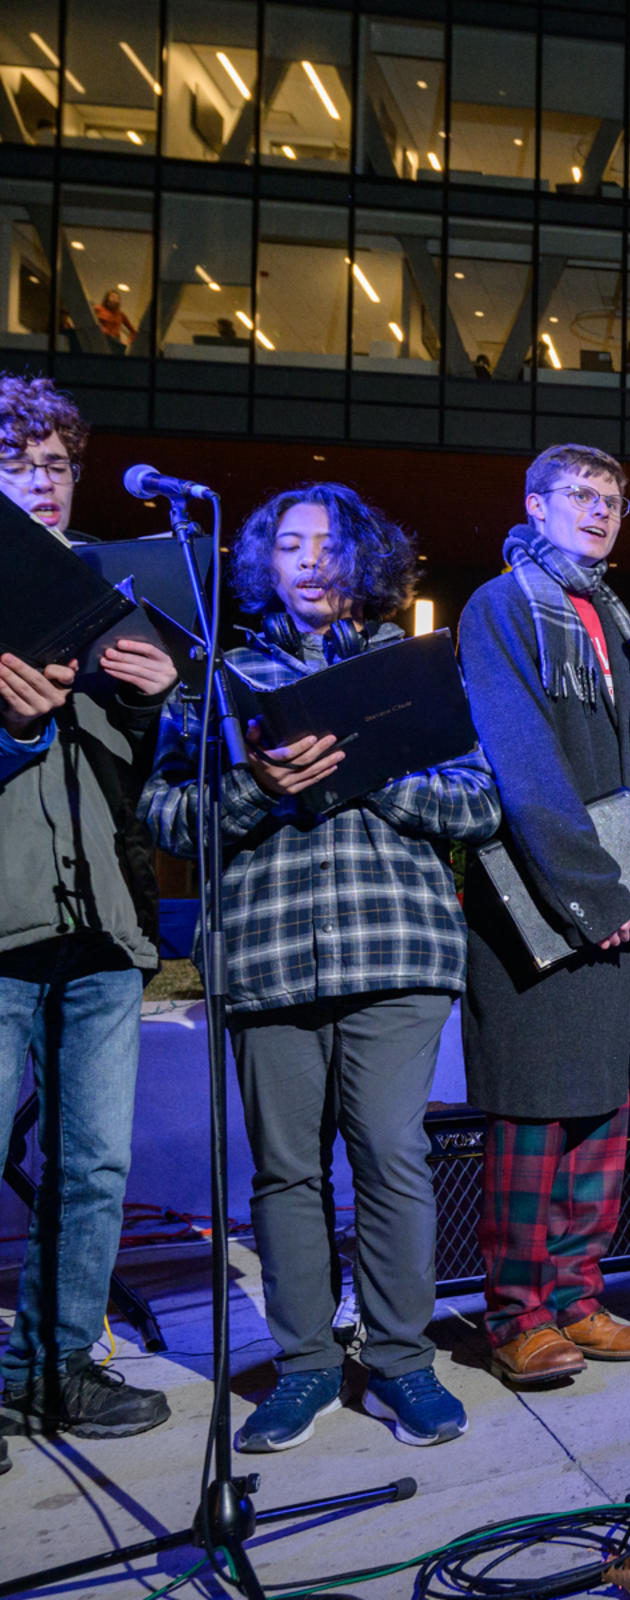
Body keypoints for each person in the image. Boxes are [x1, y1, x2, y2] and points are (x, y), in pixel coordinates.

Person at [143, 484, 500, 1452]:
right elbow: (167, 816)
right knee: (287, 1171)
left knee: (391, 1153)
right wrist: (257, 790)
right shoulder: (220, 676)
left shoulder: (409, 667)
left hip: (397, 951)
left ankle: (401, 1360)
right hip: (265, 957)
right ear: (264, 560)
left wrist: (368, 767)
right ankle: (304, 1366)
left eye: (330, 545)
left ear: (362, 562)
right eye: (290, 544)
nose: (310, 560)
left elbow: (481, 806)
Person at [0, 377, 180, 1464]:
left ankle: (56, 1370)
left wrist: (156, 698)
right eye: (18, 462)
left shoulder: (115, 589)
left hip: (103, 925)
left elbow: (141, 783)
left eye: (58, 463)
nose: (42, 480)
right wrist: (12, 730)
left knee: (94, 1164)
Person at [457, 443, 630, 1389]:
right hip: (537, 896)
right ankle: (518, 1315)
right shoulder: (503, 606)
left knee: (602, 1105)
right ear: (534, 506)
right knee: (534, 1111)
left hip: (613, 889)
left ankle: (579, 1296)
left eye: (613, 499)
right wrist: (595, 888)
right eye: (579, 495)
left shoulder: (608, 616)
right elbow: (519, 758)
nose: (599, 510)